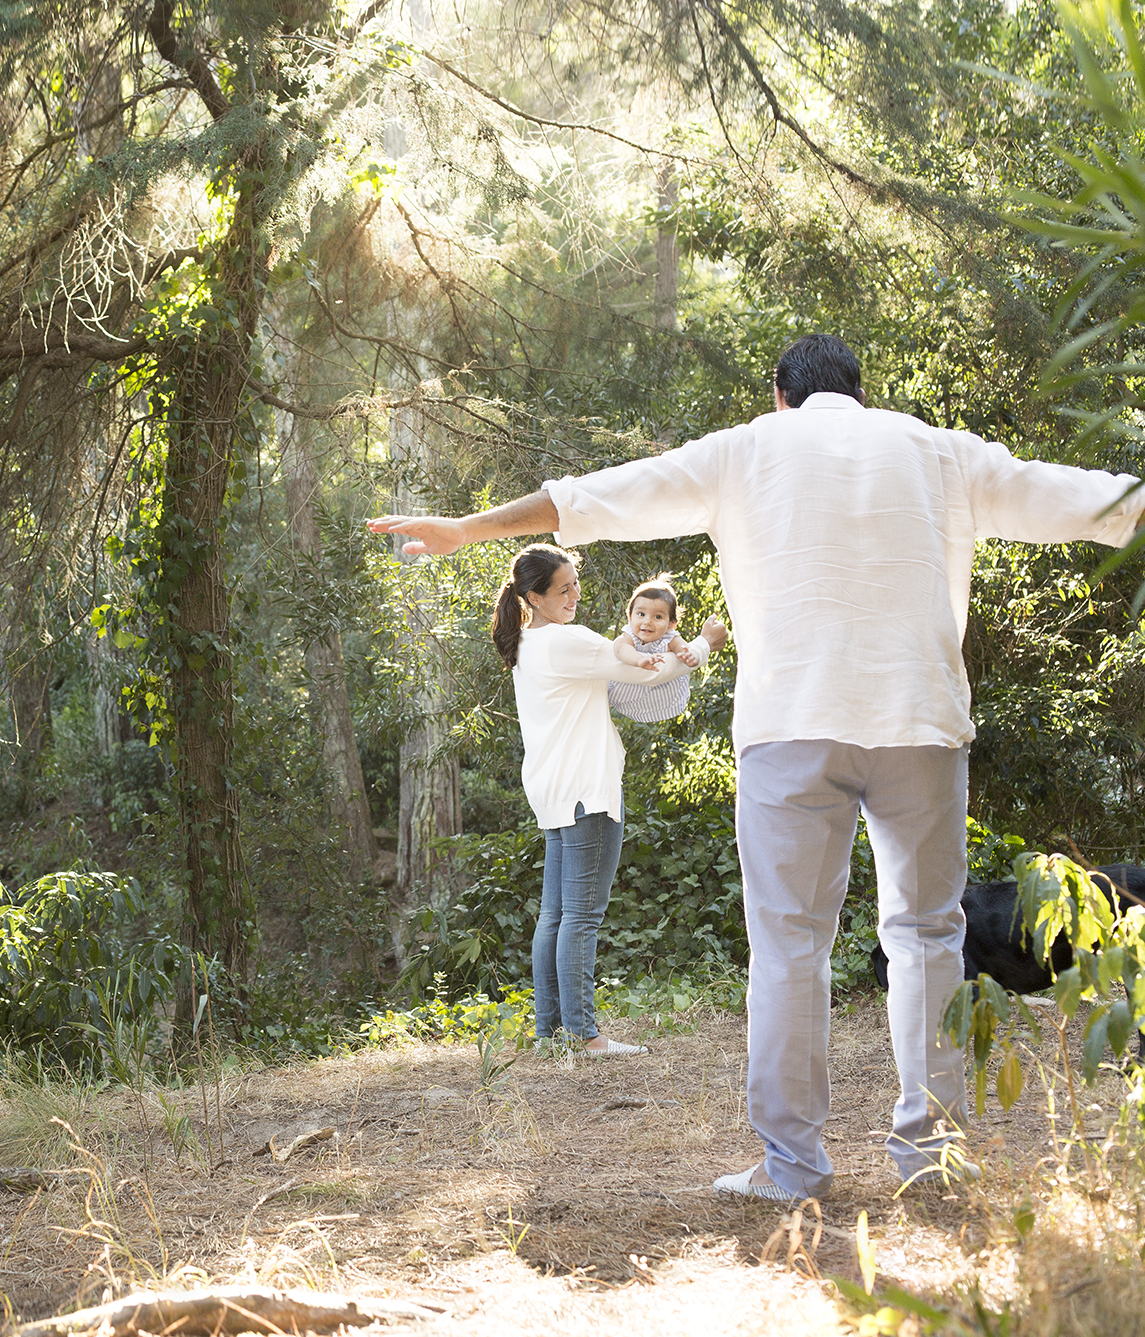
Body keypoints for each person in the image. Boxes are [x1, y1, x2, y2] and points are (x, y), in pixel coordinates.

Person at [370, 333, 1142, 1199]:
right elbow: (1086, 499)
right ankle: (933, 1160)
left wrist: (469, 529)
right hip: (917, 722)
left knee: (787, 950)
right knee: (929, 938)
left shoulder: (744, 450)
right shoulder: (937, 450)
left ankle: (794, 1169)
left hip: (790, 730)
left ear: (780, 393)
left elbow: (600, 497)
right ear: (860, 390)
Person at [491, 544, 723, 1055]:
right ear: (535, 596)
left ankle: (549, 1033)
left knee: (555, 914)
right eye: (563, 589)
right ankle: (583, 1034)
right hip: (585, 790)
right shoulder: (567, 641)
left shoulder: (527, 643)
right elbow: (650, 672)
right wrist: (706, 643)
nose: (575, 595)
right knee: (582, 916)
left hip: (553, 789)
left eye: (576, 584)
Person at [608, 575, 716, 726]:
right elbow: (621, 649)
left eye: (658, 616)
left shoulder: (670, 638)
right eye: (641, 614)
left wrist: (691, 657)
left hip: (663, 699)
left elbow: (685, 649)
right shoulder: (629, 635)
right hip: (627, 696)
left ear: (671, 623)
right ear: (630, 616)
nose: (648, 621)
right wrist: (638, 660)